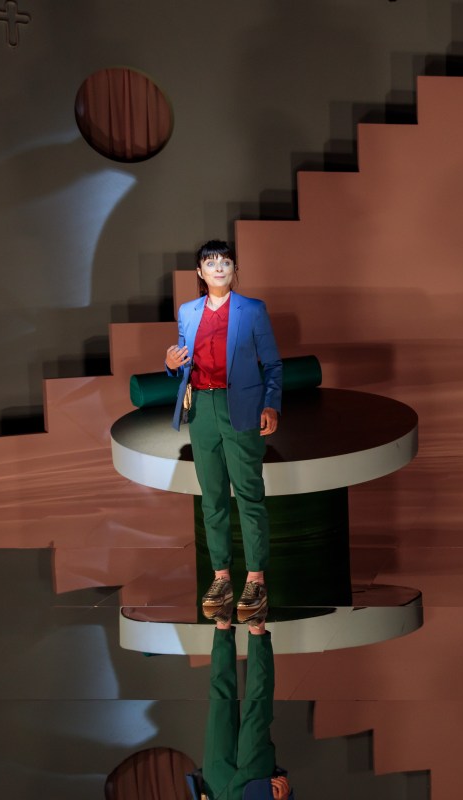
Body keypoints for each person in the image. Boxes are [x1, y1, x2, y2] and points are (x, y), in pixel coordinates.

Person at [165, 240, 283, 624]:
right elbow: (182, 363)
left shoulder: (252, 310)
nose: (219, 268)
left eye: (226, 262)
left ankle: (256, 580)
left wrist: (271, 404)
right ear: (200, 272)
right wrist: (171, 365)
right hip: (202, 409)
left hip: (241, 409)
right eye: (211, 263)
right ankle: (220, 579)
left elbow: (273, 365)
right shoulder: (187, 312)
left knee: (248, 494)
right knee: (212, 496)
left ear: (234, 270)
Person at [199, 600, 294, 799]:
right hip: (255, 787)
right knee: (257, 709)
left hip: (215, 785)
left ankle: (222, 619)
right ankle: (256, 621)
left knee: (220, 701)